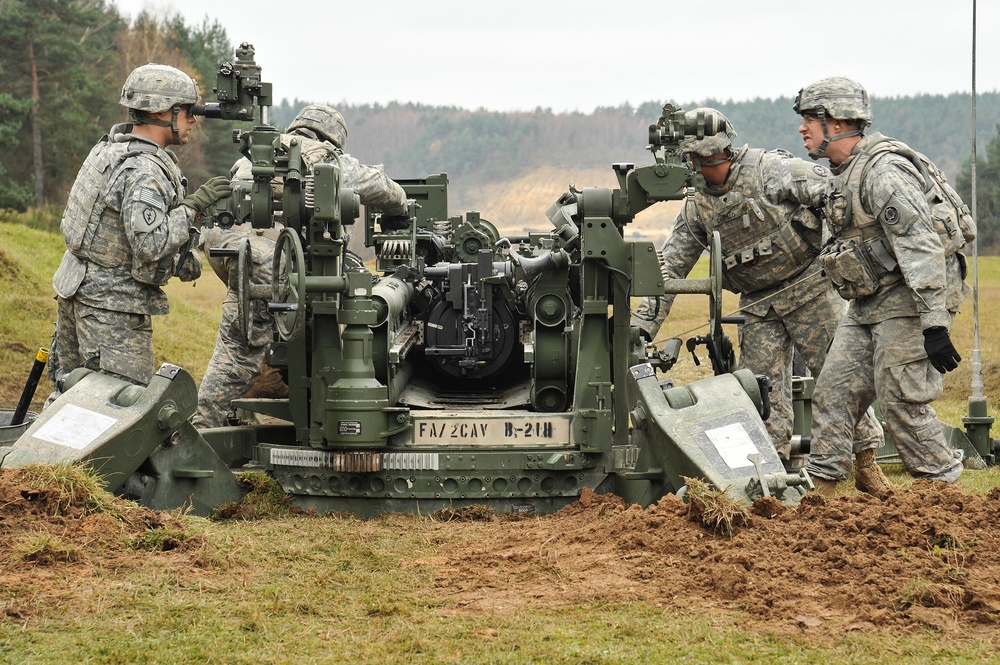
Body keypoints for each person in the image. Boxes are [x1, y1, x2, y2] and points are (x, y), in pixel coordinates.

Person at [632, 107, 888, 493]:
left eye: (694, 160)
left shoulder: (771, 171)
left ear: (712, 154)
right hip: (759, 307)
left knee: (840, 381)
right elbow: (668, 270)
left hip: (810, 292)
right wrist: (642, 329)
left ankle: (866, 462)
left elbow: (836, 194)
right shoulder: (697, 207)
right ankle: (776, 475)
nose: (691, 169)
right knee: (759, 394)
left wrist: (850, 249)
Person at [794, 76, 969, 494]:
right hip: (870, 301)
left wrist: (934, 324)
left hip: (911, 299)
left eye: (809, 122)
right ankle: (822, 495)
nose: (802, 129)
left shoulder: (884, 172)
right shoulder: (842, 172)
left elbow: (920, 245)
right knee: (834, 392)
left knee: (901, 401)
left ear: (836, 124)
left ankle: (946, 496)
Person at [191, 104, 409, 428]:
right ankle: (203, 429)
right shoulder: (328, 157)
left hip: (224, 247)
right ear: (333, 137)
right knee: (240, 350)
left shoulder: (255, 153)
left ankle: (268, 382)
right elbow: (384, 188)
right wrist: (400, 211)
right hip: (268, 258)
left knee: (260, 325)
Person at [48, 63, 231, 393]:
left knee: (70, 403)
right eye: (188, 111)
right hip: (111, 311)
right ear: (164, 112)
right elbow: (150, 244)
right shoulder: (145, 170)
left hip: (79, 292)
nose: (194, 120)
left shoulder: (112, 149)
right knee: (117, 410)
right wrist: (192, 208)